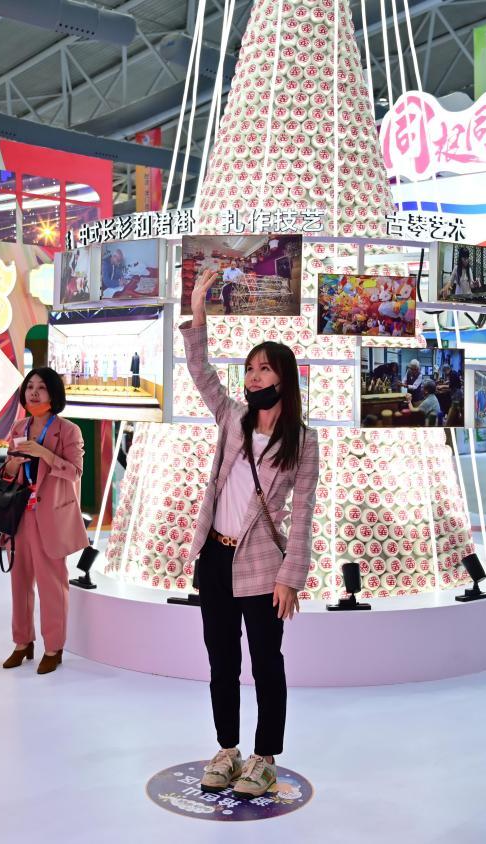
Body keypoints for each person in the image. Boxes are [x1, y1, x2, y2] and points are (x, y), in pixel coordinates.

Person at [181, 269, 320, 799]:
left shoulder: (302, 441)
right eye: (249, 369)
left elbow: (303, 513)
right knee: (221, 662)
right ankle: (227, 748)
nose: (254, 377)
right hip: (214, 559)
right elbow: (201, 371)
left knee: (266, 665)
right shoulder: (232, 418)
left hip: (263, 567)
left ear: (284, 378)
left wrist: (292, 578)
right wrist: (198, 307)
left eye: (265, 369)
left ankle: (264, 757)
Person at [0, 367, 87, 676]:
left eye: (41, 387)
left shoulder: (68, 430)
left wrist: (44, 453)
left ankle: (54, 647)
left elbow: (75, 472)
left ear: (53, 394)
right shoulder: (19, 426)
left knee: (52, 585)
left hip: (51, 516)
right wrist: (12, 465)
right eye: (30, 387)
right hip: (20, 514)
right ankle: (22, 643)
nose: (34, 392)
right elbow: (9, 473)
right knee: (19, 582)